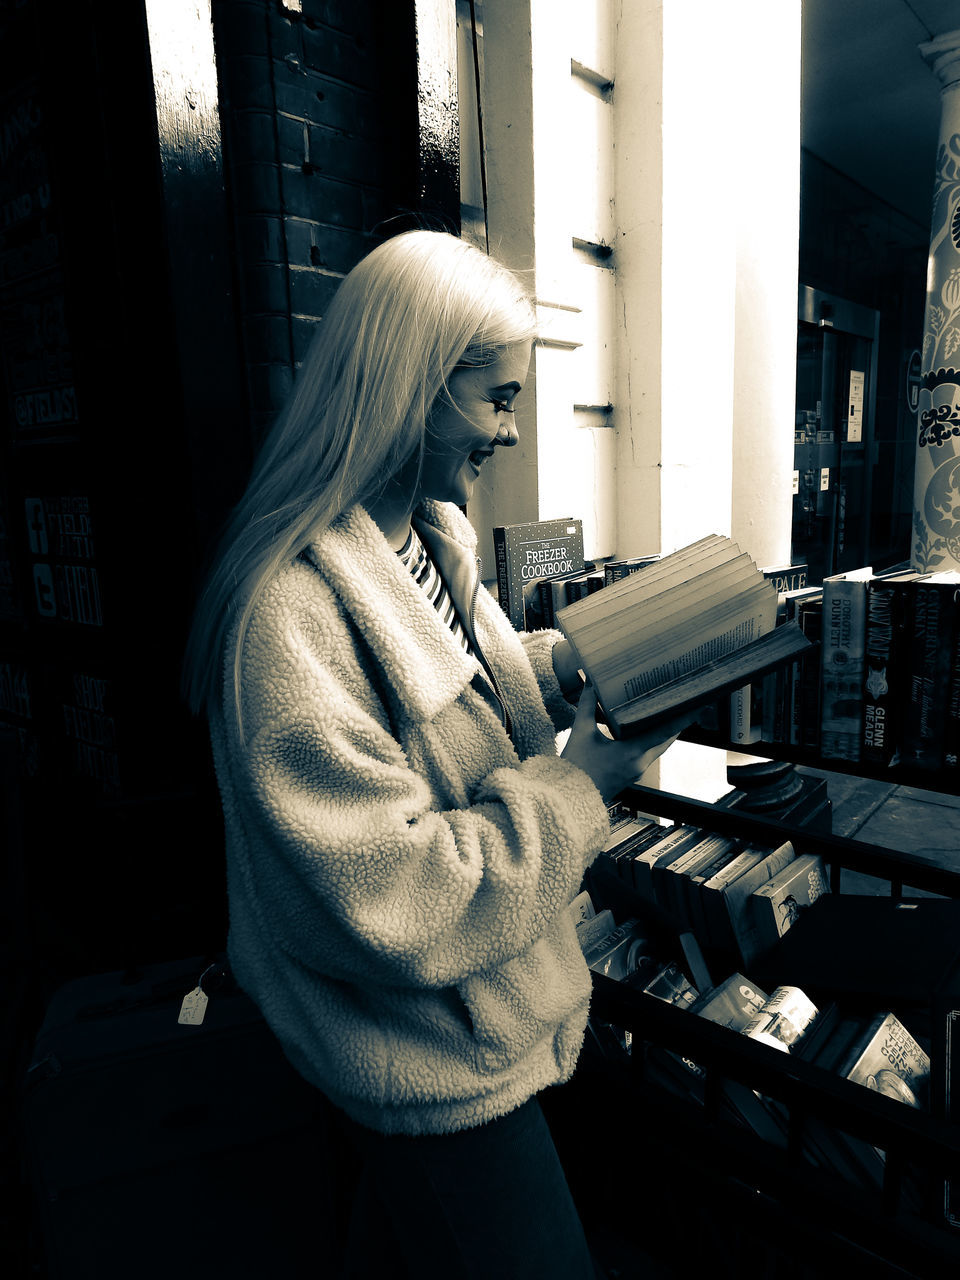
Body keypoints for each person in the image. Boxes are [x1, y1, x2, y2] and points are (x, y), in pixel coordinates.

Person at [183, 229, 685, 1278]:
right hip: (433, 1064)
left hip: (470, 1030)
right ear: (410, 383)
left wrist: (565, 667)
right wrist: (578, 788)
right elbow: (390, 891)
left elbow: (452, 688)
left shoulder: (431, 534)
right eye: (496, 396)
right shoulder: (288, 615)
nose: (510, 430)